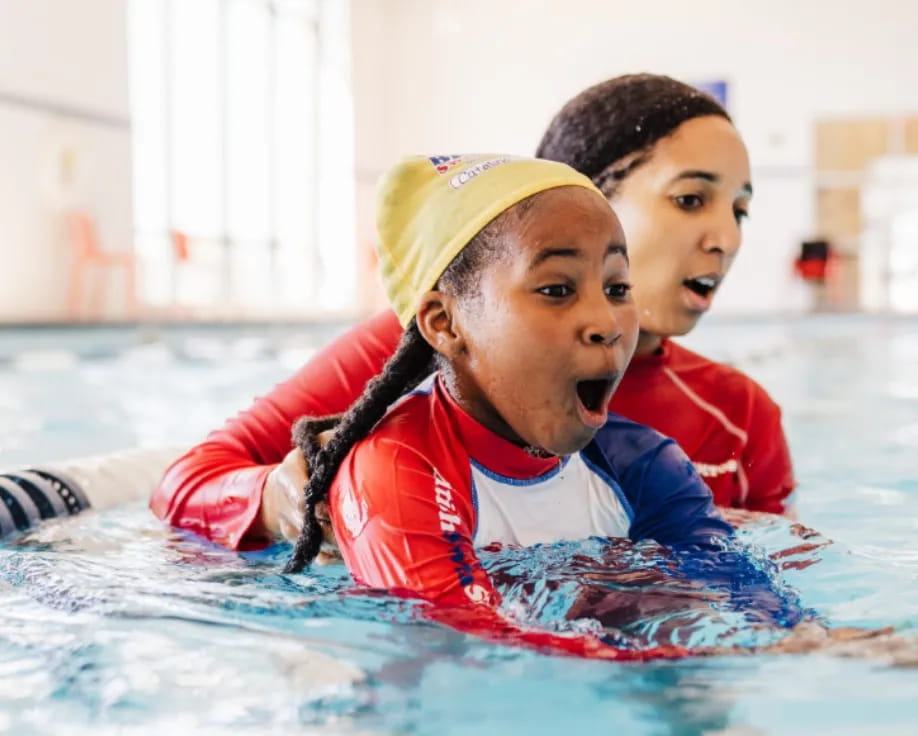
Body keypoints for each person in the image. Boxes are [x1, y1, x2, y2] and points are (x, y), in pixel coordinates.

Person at [151, 73, 795, 552]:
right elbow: (188, 482)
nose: (728, 238)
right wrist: (280, 501)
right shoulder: (422, 345)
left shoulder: (742, 418)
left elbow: (769, 584)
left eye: (739, 209)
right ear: (579, 201)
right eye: (690, 200)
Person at [282, 153, 735, 660]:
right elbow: (462, 641)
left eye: (617, 288)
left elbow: (738, 596)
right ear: (445, 323)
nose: (606, 322)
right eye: (557, 289)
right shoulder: (398, 466)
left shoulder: (643, 465)